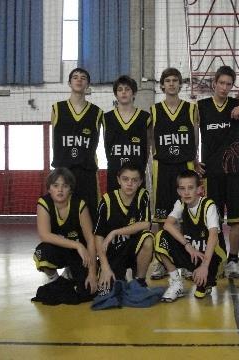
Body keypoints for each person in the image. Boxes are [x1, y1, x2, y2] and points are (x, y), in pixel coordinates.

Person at [197, 65, 239, 280]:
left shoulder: (236, 104)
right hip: (212, 174)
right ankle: (216, 257)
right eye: (221, 83)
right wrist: (194, 159)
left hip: (233, 173)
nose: (224, 87)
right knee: (213, 219)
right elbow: (194, 134)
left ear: (232, 86)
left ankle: (233, 259)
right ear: (214, 83)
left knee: (238, 219)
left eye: (228, 84)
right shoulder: (201, 107)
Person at [149, 67, 199, 280]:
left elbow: (196, 137)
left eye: (175, 80)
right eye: (167, 80)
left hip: (184, 167)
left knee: (186, 217)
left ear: (180, 85)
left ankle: (187, 261)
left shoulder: (190, 109)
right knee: (162, 218)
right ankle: (163, 260)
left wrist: (195, 160)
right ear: (162, 85)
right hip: (163, 168)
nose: (171, 84)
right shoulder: (154, 110)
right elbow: (150, 138)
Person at [154, 170, 227, 302]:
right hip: (193, 252)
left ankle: (208, 277)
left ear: (200, 189)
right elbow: (167, 225)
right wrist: (187, 245)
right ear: (178, 191)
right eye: (182, 189)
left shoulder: (208, 206)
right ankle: (176, 282)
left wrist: (204, 266)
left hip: (211, 256)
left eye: (190, 188)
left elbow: (213, 236)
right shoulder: (180, 203)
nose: (186, 192)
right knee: (161, 237)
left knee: (200, 292)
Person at [33, 168, 97, 299]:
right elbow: (44, 235)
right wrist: (77, 245)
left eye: (65, 186)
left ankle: (70, 272)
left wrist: (92, 273)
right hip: (61, 249)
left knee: (88, 290)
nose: (60, 190)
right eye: (55, 186)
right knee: (43, 252)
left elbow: (90, 239)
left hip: (78, 254)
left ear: (71, 189)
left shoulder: (79, 205)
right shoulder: (44, 203)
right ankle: (54, 279)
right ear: (49, 189)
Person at [51, 68, 103, 221]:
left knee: (90, 213)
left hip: (87, 171)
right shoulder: (57, 109)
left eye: (83, 77)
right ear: (69, 82)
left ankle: (89, 244)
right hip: (63, 170)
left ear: (88, 84)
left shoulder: (97, 112)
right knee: (63, 214)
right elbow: (54, 142)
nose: (79, 80)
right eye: (75, 77)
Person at [94, 163, 154, 292]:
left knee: (148, 239)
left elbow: (146, 224)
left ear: (140, 182)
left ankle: (140, 281)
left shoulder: (143, 195)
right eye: (125, 179)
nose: (130, 183)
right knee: (108, 291)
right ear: (118, 180)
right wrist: (104, 266)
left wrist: (115, 232)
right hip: (114, 252)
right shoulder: (107, 200)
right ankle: (120, 273)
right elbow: (98, 236)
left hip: (133, 249)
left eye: (134, 180)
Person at [103, 75, 151, 192]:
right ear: (115, 94)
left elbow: (148, 148)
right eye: (120, 90)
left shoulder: (145, 117)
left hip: (136, 176)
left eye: (127, 89)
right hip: (115, 174)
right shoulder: (106, 118)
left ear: (134, 93)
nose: (123, 92)